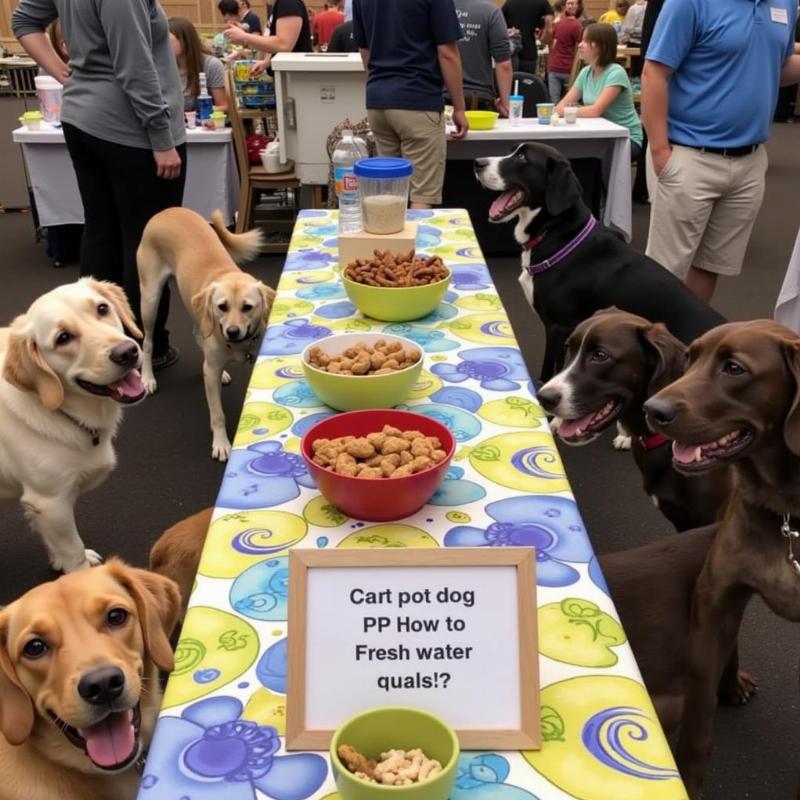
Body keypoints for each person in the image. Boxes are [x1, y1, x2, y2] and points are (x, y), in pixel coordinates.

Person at [13, 0, 185, 370]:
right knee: (146, 244)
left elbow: (24, 20)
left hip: (84, 120)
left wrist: (62, 71)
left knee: (102, 232)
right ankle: (145, 347)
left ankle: (96, 344)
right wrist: (161, 136)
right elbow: (134, 66)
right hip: (129, 129)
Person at [642, 0, 800, 303]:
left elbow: (776, 67)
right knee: (663, 273)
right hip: (688, 156)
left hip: (750, 161)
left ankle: (687, 344)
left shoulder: (785, 4)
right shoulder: (689, 3)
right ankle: (646, 349)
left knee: (709, 266)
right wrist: (661, 151)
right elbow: (654, 73)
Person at [353, 0, 468, 210]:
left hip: (378, 102)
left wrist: (378, 87)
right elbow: (447, 52)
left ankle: (387, 244)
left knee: (388, 192)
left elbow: (364, 50)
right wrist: (459, 107)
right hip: (418, 98)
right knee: (421, 194)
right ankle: (415, 243)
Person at [556, 23, 642, 158]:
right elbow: (560, 107)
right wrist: (575, 109)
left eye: (585, 41)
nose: (579, 45)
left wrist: (572, 110)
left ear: (599, 46)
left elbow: (596, 111)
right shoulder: (585, 72)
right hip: (600, 135)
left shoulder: (616, 72)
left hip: (626, 138)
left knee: (587, 154)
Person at [452, 0, 512, 116]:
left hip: (440, 97)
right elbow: (503, 63)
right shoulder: (491, 11)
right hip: (479, 98)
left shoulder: (434, 9)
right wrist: (505, 103)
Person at [225, 0, 311, 75]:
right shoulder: (280, 5)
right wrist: (267, 63)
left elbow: (284, 44)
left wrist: (244, 37)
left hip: (296, 78)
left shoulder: (288, 3)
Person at [169, 16, 227, 113]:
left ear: (185, 40)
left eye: (168, 41)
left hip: (202, 124)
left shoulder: (211, 65)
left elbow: (224, 106)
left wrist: (195, 114)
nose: (164, 46)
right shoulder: (163, 67)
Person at [502, 0, 553, 74]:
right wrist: (543, 40)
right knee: (527, 83)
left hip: (511, 54)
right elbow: (549, 28)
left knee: (510, 83)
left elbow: (498, 25)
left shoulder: (509, 2)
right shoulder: (542, 2)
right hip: (529, 54)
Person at [548, 0, 582, 102]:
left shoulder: (556, 25)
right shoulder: (577, 26)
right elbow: (579, 48)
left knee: (554, 101)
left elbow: (551, 45)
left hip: (553, 66)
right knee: (570, 102)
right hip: (568, 68)